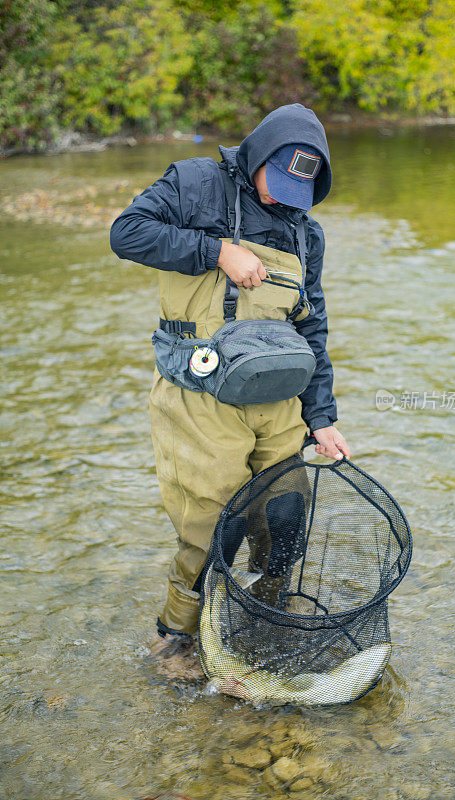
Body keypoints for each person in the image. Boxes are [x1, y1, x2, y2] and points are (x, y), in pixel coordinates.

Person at [110, 103, 350, 651]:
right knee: (216, 521)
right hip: (200, 394)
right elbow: (126, 233)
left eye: (297, 192)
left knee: (287, 511)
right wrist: (216, 251)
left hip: (279, 399)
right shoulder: (196, 184)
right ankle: (176, 639)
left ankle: (264, 617)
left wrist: (322, 418)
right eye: (277, 182)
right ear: (260, 153)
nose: (280, 199)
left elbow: (312, 328)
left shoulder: (306, 235)